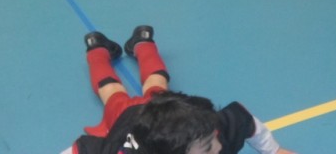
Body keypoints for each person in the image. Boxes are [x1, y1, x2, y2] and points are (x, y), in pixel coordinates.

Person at [65, 26, 296, 154]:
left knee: (156, 84)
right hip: (129, 114)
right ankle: (97, 50)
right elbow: (80, 149)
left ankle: (139, 43)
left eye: (213, 139)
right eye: (207, 148)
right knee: (113, 91)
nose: (218, 148)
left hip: (163, 107)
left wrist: (275, 150)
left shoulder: (209, 127)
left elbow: (245, 121)